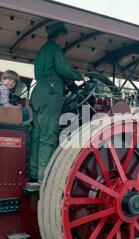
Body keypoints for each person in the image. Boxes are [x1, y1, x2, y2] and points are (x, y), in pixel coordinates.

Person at [28, 22, 83, 187]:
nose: (65, 40)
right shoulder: (55, 49)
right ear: (59, 36)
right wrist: (80, 76)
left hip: (38, 93)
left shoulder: (41, 51)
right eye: (64, 36)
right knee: (49, 135)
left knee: (37, 135)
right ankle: (43, 177)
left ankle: (34, 172)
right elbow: (64, 69)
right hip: (51, 94)